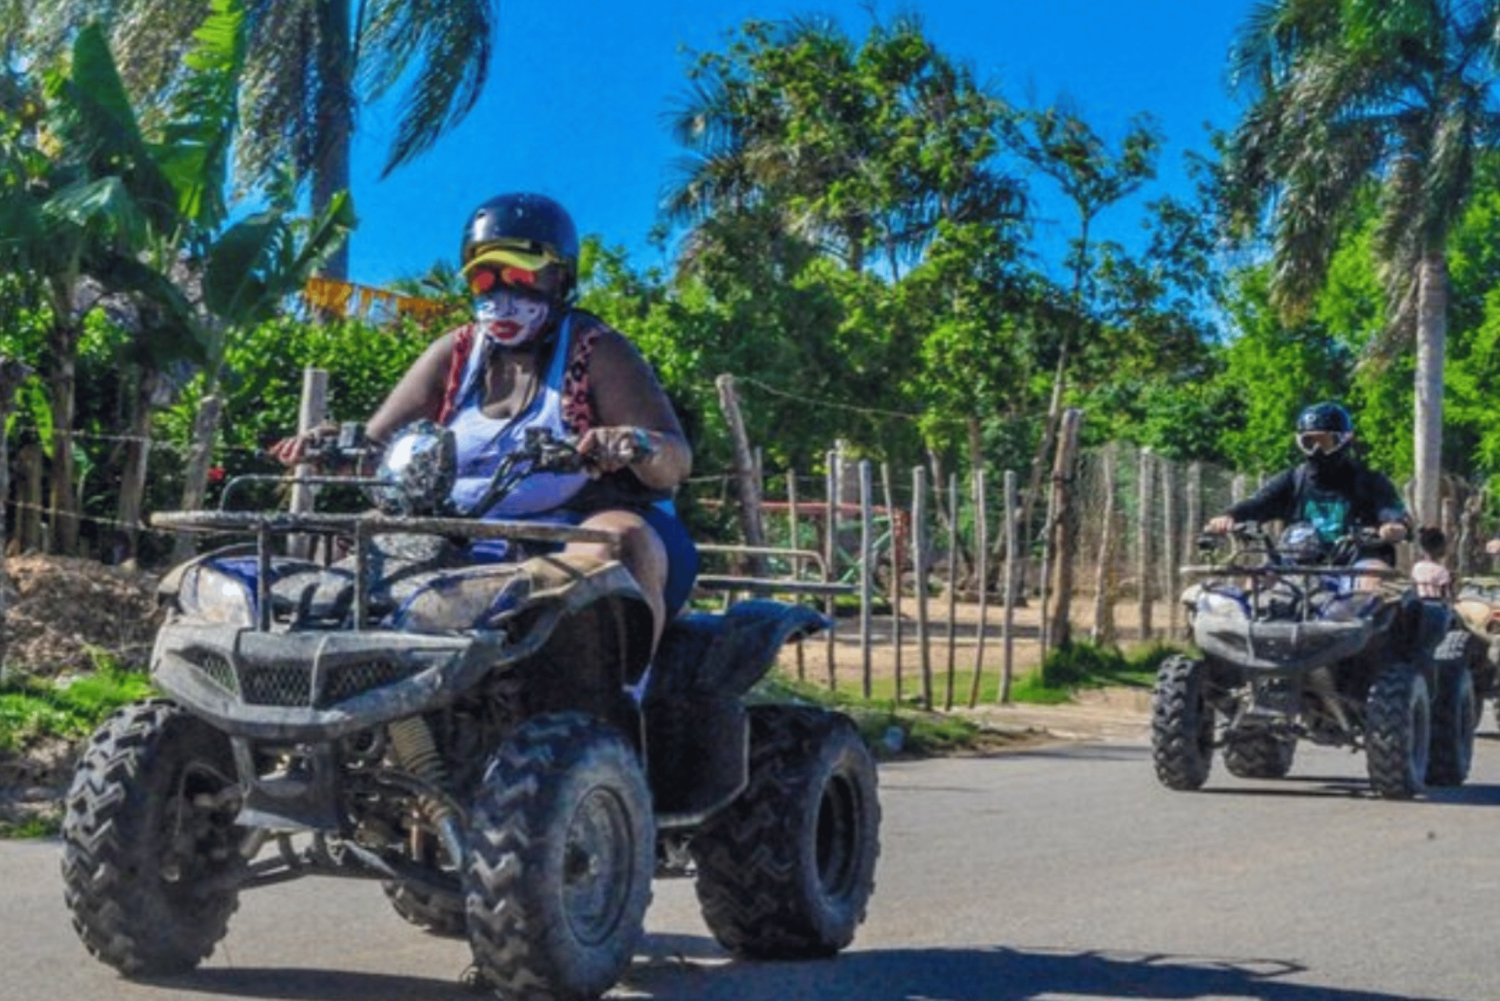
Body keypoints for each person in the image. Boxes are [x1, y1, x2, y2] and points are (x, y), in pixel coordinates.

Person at [275, 192, 696, 648]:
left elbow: (676, 460)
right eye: (485, 279)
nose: (502, 294)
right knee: (352, 540)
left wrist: (635, 443)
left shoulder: (598, 350)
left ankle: (618, 695)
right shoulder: (454, 352)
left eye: (519, 276)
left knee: (619, 540)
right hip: (462, 526)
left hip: (570, 523)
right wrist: (331, 445)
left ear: (560, 278)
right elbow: (377, 447)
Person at [1204, 402, 1411, 579]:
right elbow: (1258, 503)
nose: (1317, 450)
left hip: (1355, 563)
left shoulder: (1369, 481)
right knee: (1259, 578)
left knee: (1373, 575)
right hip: (1297, 562)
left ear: (1345, 440)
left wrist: (1394, 526)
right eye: (1309, 442)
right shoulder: (1292, 479)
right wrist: (1229, 515)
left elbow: (1390, 510)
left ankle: (1364, 626)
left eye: (1325, 441)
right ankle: (1248, 625)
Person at [1411, 526, 1452, 600]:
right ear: (1439, 547)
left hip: (1420, 607)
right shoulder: (1442, 571)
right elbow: (1446, 598)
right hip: (1437, 608)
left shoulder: (1416, 567)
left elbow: (1414, 589)